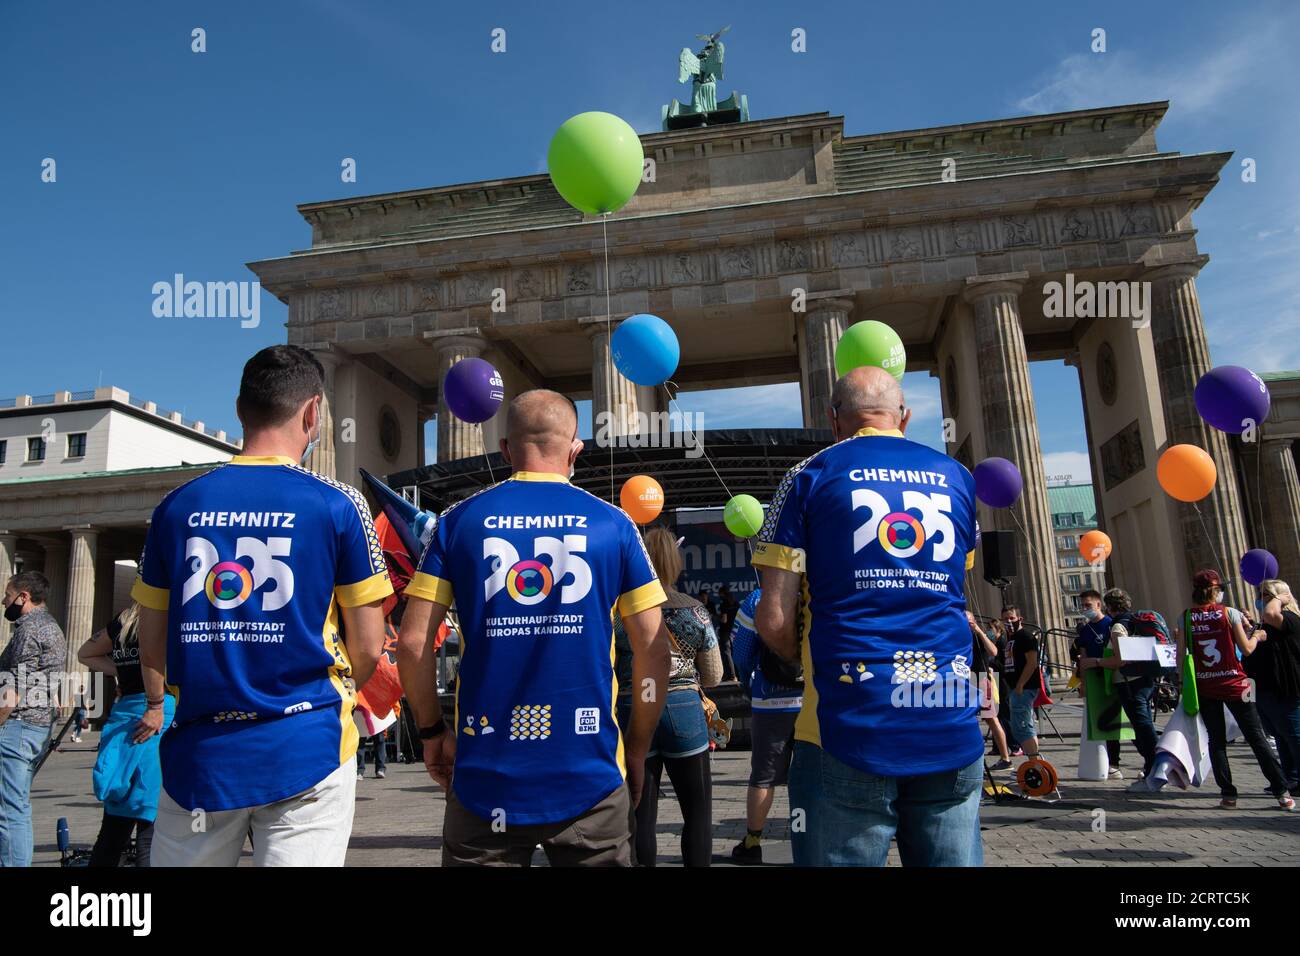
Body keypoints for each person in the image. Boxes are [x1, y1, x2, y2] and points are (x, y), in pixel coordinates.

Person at [131, 344, 393, 865]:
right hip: (306, 743)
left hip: (200, 753)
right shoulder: (339, 504)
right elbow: (367, 645)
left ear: (239, 408)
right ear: (313, 411)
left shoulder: (177, 505)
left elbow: (152, 646)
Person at [397, 389, 671, 867]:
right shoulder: (615, 524)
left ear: (506, 450)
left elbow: (414, 641)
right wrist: (638, 745)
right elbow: (653, 649)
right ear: (575, 450)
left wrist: (430, 731)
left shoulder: (458, 522)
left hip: (484, 778)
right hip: (590, 777)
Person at [753, 366, 982, 867]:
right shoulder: (958, 478)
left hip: (848, 717)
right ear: (905, 417)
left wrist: (804, 657)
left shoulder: (809, 475)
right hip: (950, 711)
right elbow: (958, 587)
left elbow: (772, 616)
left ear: (834, 421)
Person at [613, 527, 721, 867]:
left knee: (640, 814)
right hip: (683, 709)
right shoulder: (695, 611)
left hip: (633, 708)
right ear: (675, 563)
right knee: (698, 811)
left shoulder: (619, 614)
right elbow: (715, 675)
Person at [1175, 569, 1293, 810]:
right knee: (1256, 737)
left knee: (1216, 741)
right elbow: (1247, 649)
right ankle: (1282, 791)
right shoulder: (1230, 613)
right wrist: (1258, 635)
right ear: (1216, 591)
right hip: (1239, 684)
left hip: (1206, 685)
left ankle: (1228, 795)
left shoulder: (1185, 617)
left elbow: (1180, 658)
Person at [77, 603, 174, 866]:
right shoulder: (168, 615)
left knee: (114, 825)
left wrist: (121, 671)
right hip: (159, 711)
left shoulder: (123, 621)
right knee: (150, 822)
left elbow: (86, 653)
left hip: (124, 715)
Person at [729, 586, 802, 863]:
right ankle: (808, 838)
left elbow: (741, 652)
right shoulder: (818, 587)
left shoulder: (759, 598)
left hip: (770, 700)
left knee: (763, 776)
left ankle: (752, 841)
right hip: (815, 699)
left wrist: (751, 684)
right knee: (811, 777)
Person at [0, 571, 67, 867]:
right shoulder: (51, 626)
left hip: (18, 725)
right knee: (16, 804)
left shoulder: (29, 630)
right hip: (37, 725)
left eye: (7, 595)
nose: (4, 601)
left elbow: (15, 687)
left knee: (9, 808)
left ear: (23, 596)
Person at [1079, 588, 1162, 787]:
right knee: (1134, 723)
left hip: (1127, 681)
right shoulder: (1131, 620)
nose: (1084, 609)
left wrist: (1096, 661)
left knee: (1139, 725)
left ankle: (1157, 764)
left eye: (1088, 605)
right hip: (1139, 678)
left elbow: (1120, 660)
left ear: (1105, 605)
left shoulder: (1116, 626)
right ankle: (1145, 764)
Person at [1249, 579, 1300, 792]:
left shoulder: (1289, 618)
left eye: (1265, 597)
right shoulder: (1266, 623)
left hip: (1285, 689)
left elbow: (1271, 614)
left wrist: (1278, 598)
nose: (1260, 601)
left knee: (1293, 734)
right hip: (1265, 689)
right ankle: (1290, 778)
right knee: (1280, 735)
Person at [1074, 589, 1122, 779]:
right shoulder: (1085, 630)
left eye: (1088, 605)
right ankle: (1102, 761)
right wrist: (1083, 683)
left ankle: (1115, 762)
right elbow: (1083, 657)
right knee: (1098, 720)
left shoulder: (1111, 624)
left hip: (1112, 673)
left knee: (1112, 720)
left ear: (1098, 605)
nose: (1085, 609)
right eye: (1083, 606)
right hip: (1094, 677)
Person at [967, 612, 1010, 771]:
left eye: (969, 621)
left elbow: (993, 652)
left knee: (992, 719)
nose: (967, 624)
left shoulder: (979, 636)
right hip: (967, 681)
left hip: (982, 680)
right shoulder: (960, 637)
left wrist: (978, 630)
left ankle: (1005, 758)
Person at [1002, 605, 1043, 770]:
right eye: (1005, 619)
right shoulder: (1011, 638)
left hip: (1024, 687)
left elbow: (1032, 663)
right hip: (1015, 687)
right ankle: (1034, 761)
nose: (1008, 621)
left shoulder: (1025, 637)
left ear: (1020, 619)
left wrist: (1020, 684)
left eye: (1011, 618)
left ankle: (1034, 764)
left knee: (1022, 727)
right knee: (1024, 725)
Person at [716, 585, 739, 681]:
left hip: (725, 631)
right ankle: (737, 674)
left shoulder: (724, 604)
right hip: (735, 630)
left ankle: (732, 675)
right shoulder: (736, 603)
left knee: (726, 653)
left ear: (722, 593)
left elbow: (724, 620)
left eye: (719, 594)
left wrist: (716, 616)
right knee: (735, 652)